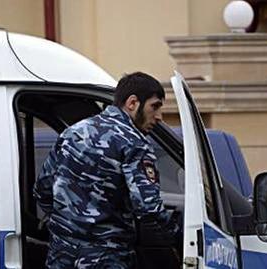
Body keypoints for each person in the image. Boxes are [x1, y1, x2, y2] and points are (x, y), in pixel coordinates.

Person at [34, 72, 179, 269]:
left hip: (62, 255)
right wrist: (181, 234)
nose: (159, 117)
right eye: (155, 106)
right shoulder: (134, 143)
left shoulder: (72, 133)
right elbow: (148, 208)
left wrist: (67, 223)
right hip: (106, 257)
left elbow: (42, 189)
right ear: (132, 103)